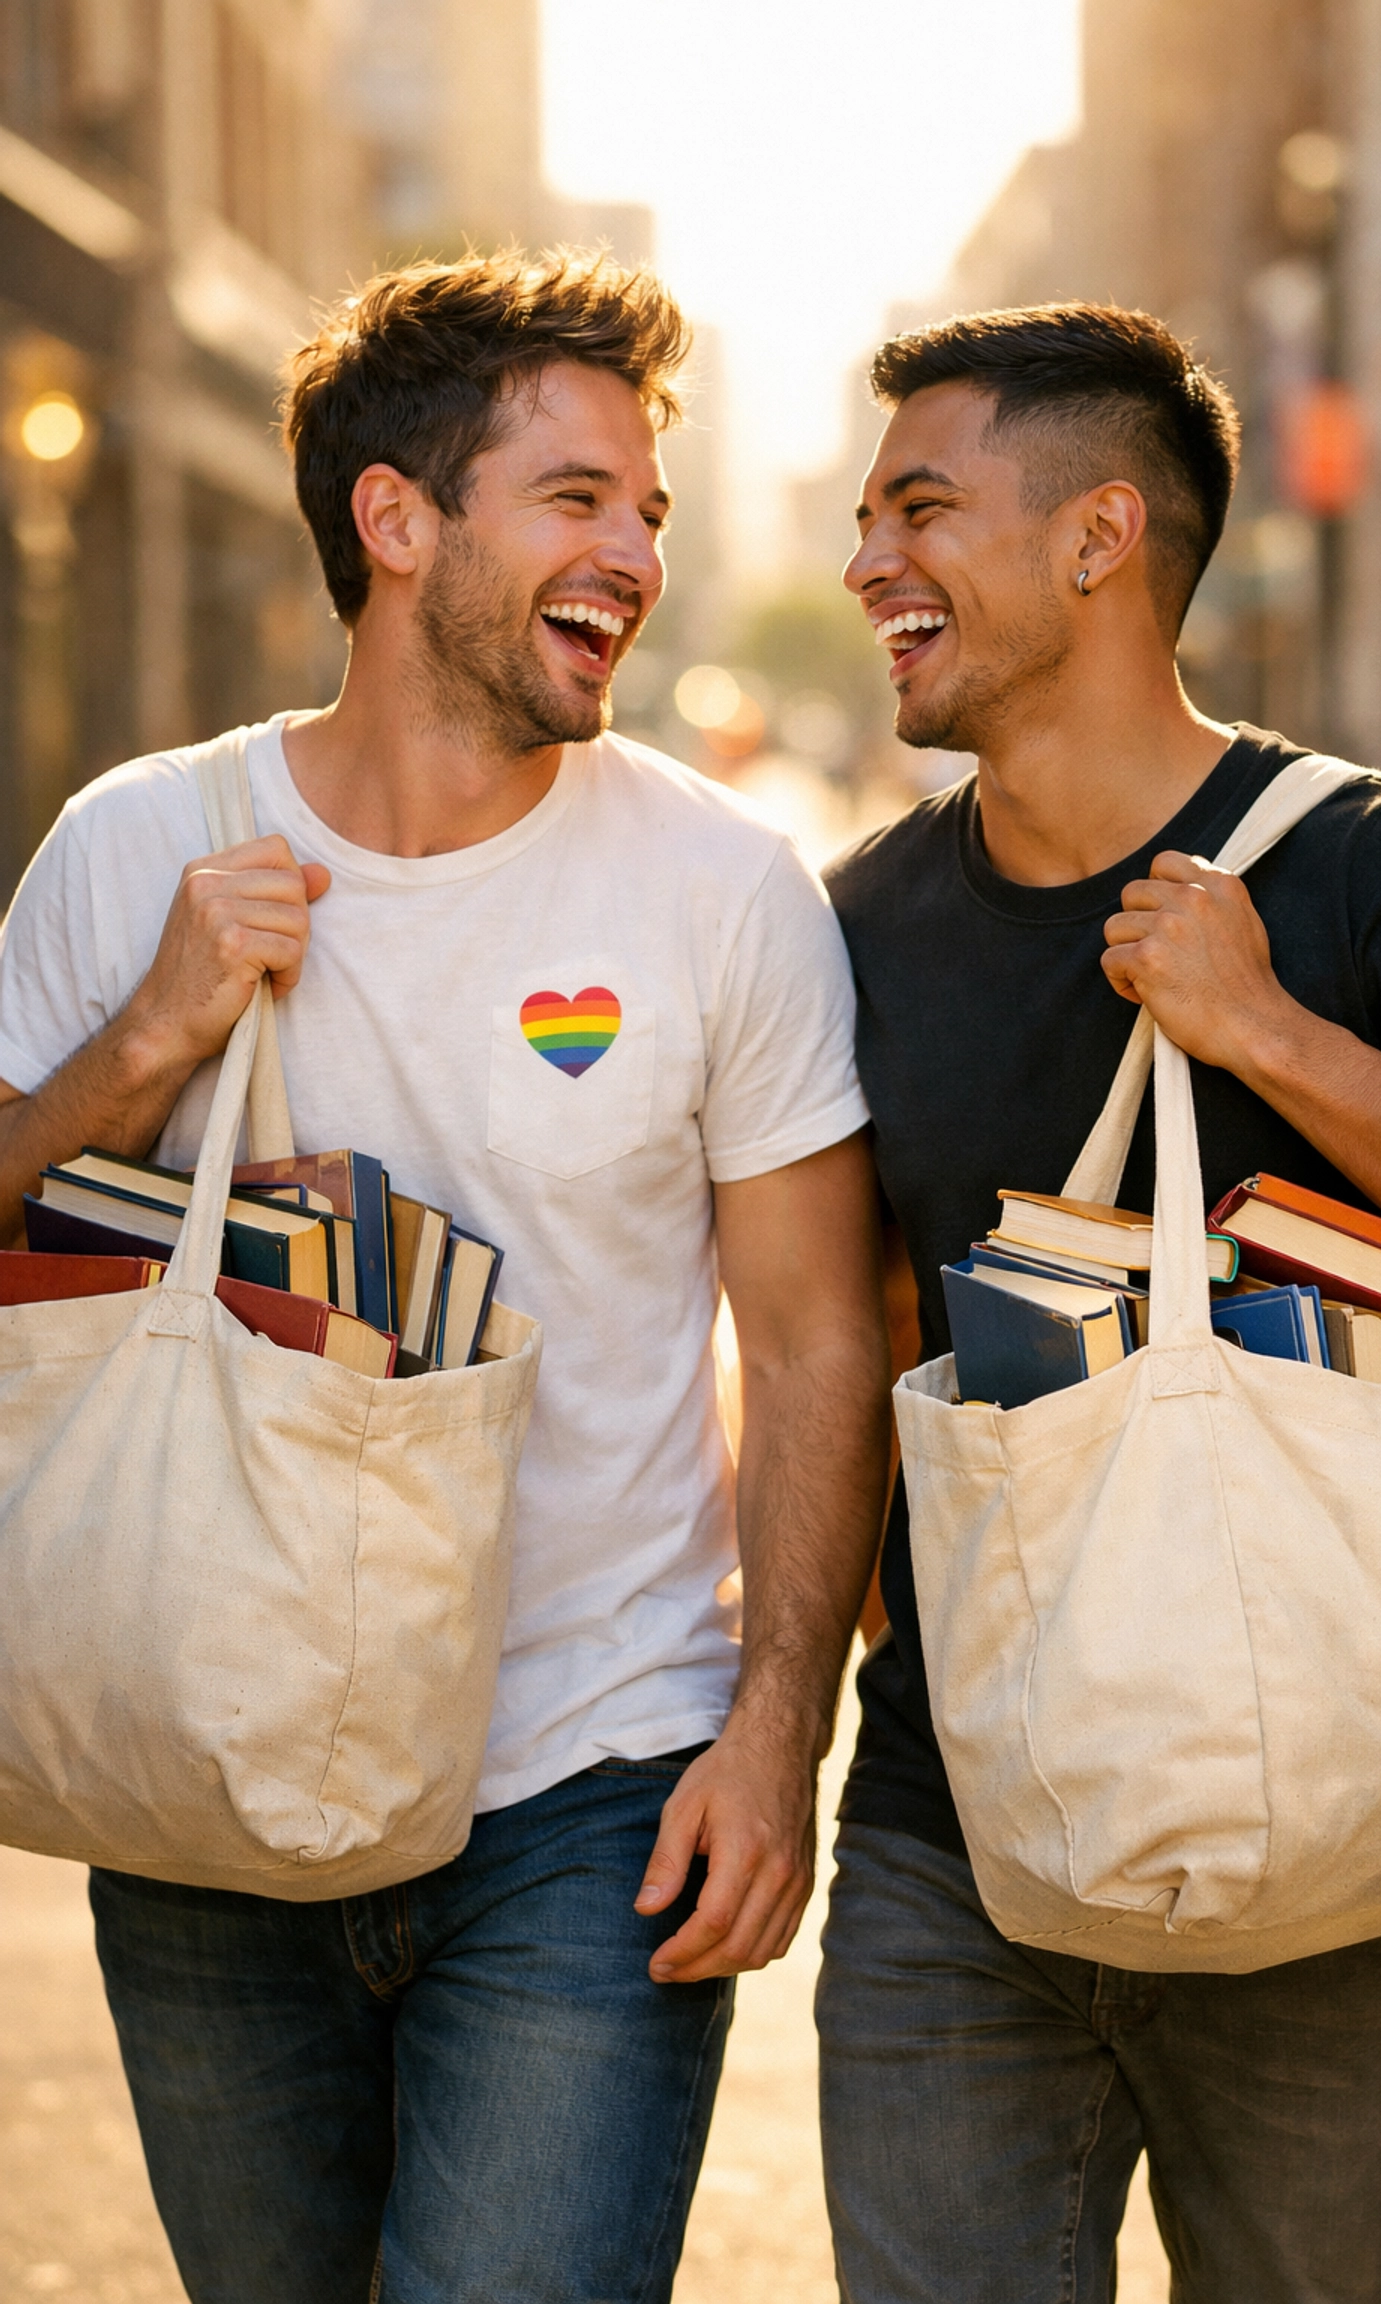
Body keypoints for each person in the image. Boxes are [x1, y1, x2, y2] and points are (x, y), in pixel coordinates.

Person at [0, 250, 890, 2304]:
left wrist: (772, 1740)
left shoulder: (719, 885)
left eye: (652, 512)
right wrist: (144, 1044)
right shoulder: (135, 846)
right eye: (577, 497)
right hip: (202, 1767)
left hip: (592, 1791)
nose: (635, 553)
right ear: (397, 521)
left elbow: (820, 1335)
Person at [818, 301, 1381, 2304]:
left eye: (922, 505)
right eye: (867, 513)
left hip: (1333, 1856)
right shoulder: (855, 928)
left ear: (1100, 536)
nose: (869, 559)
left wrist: (1269, 1036)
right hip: (952, 1842)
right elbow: (838, 1352)